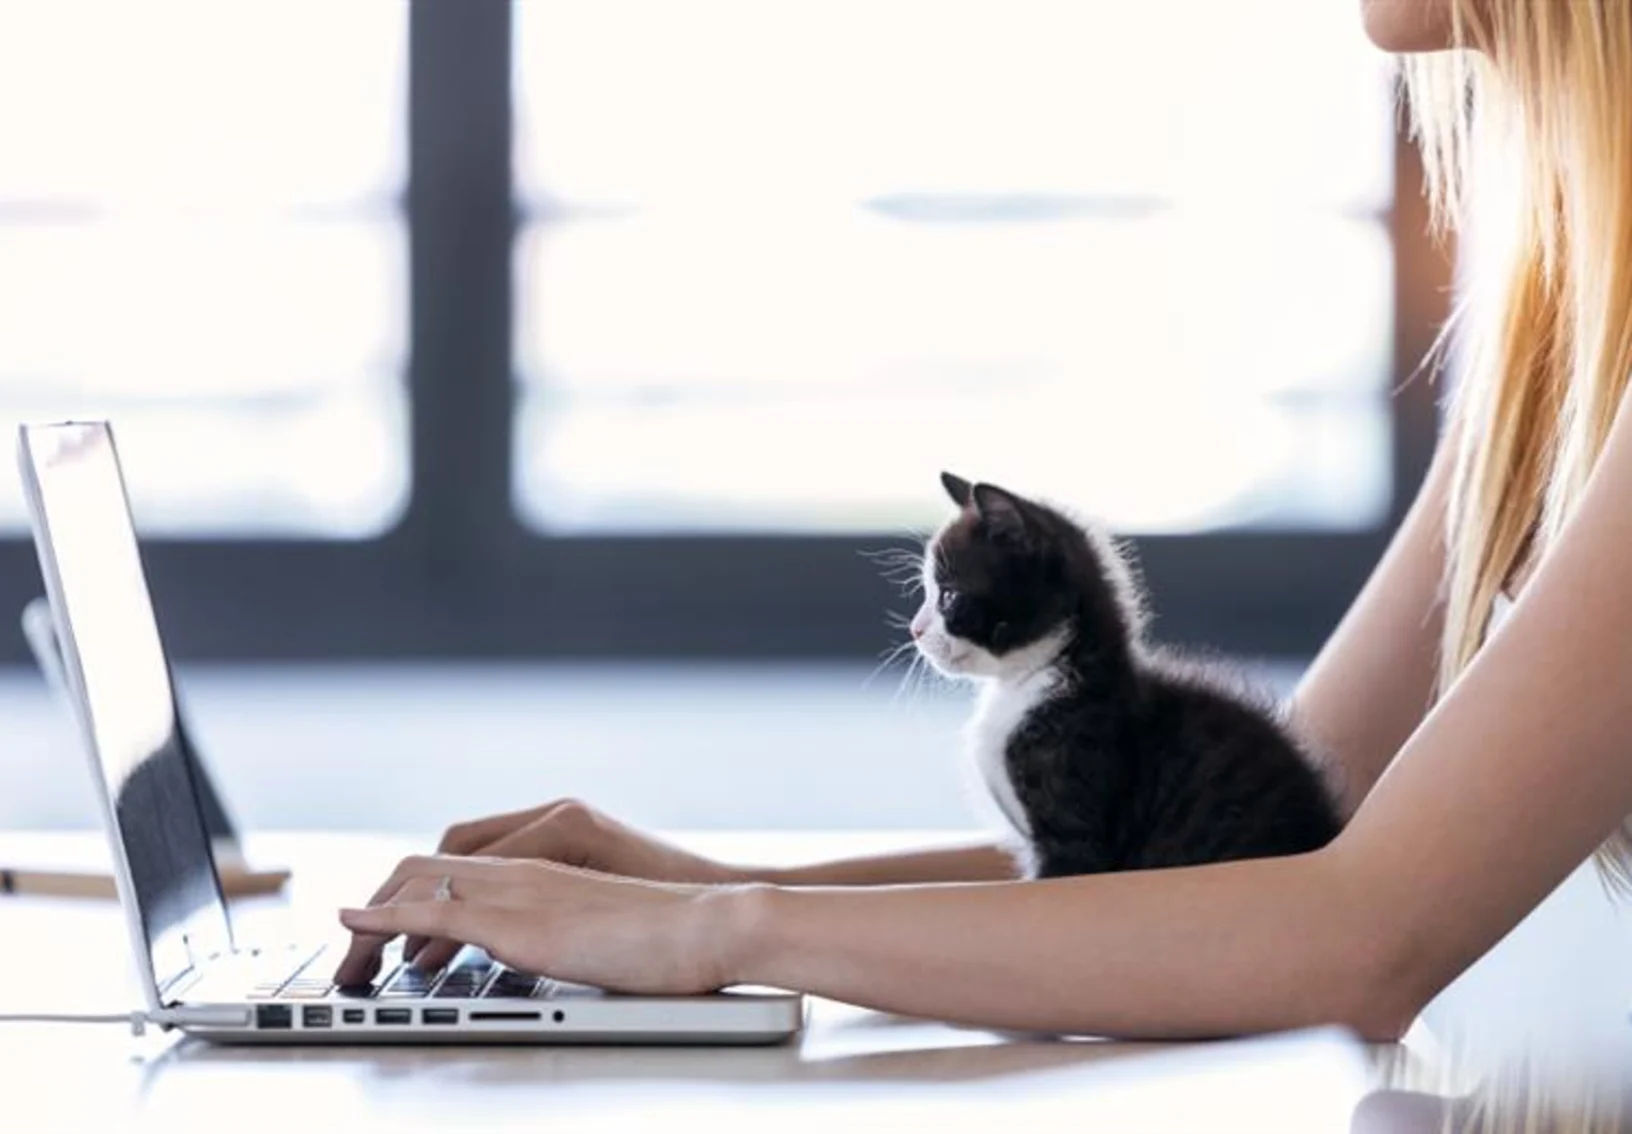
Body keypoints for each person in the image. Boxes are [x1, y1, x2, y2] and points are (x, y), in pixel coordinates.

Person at [334, 0, 1632, 1041]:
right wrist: (670, 884)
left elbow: (1358, 936)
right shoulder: (1557, 336)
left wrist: (721, 932)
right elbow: (1215, 873)